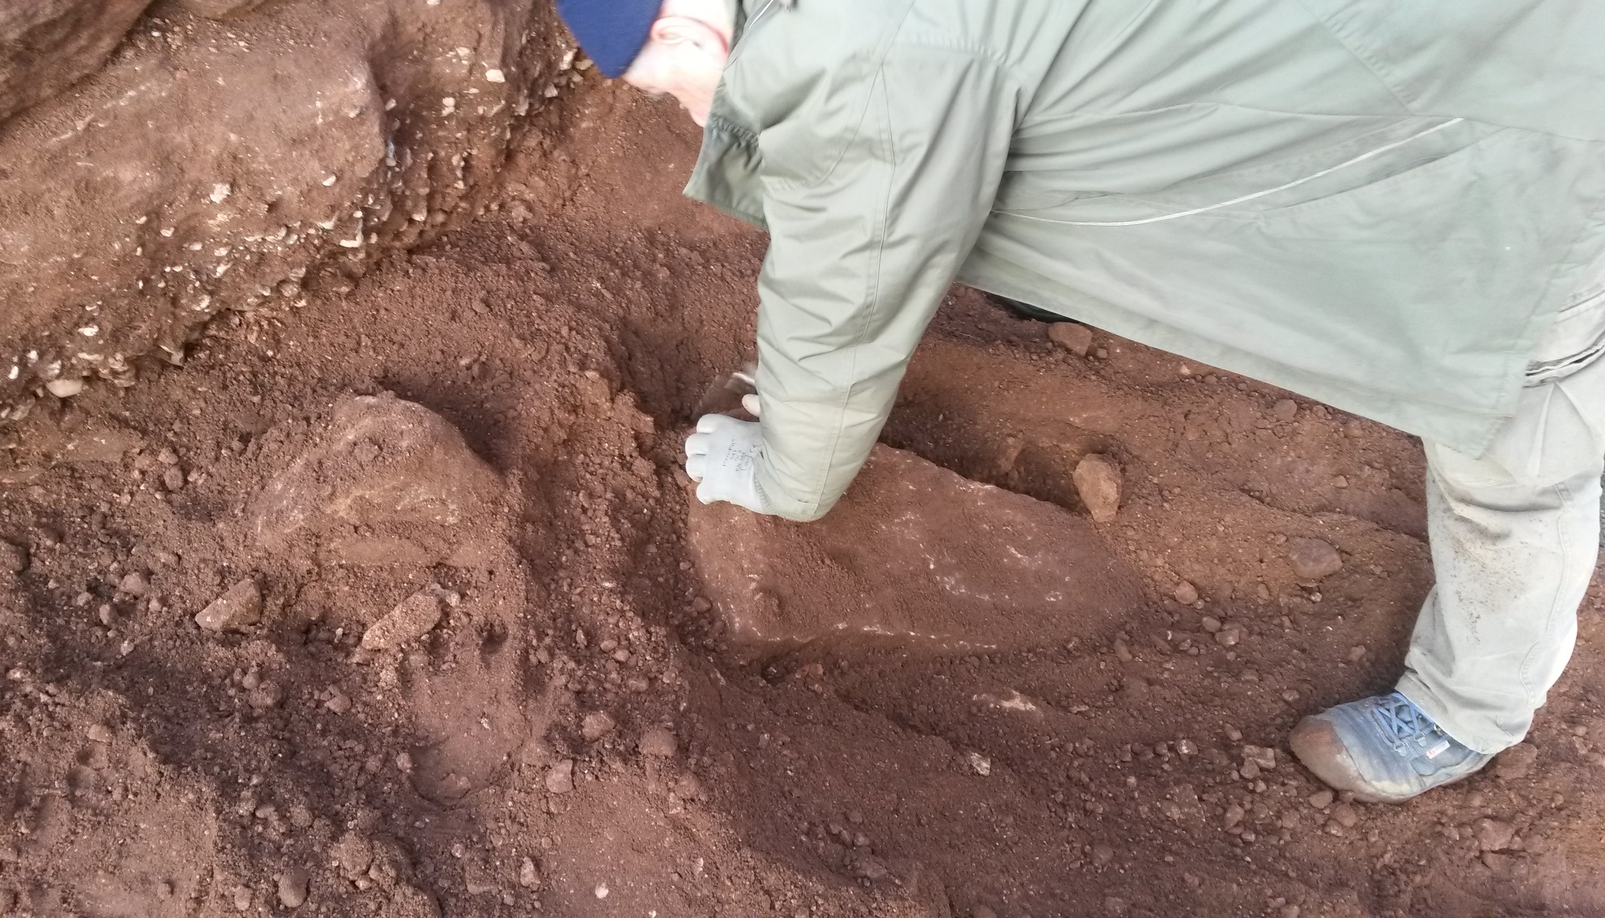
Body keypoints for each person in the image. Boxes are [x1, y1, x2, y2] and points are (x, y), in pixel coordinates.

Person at [551, 0, 1605, 804]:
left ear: (686, 29)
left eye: (668, 90)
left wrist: (779, 467)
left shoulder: (854, 57)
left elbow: (849, 285)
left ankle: (1465, 711)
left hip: (1518, 134)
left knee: (1520, 410)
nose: (690, 117)